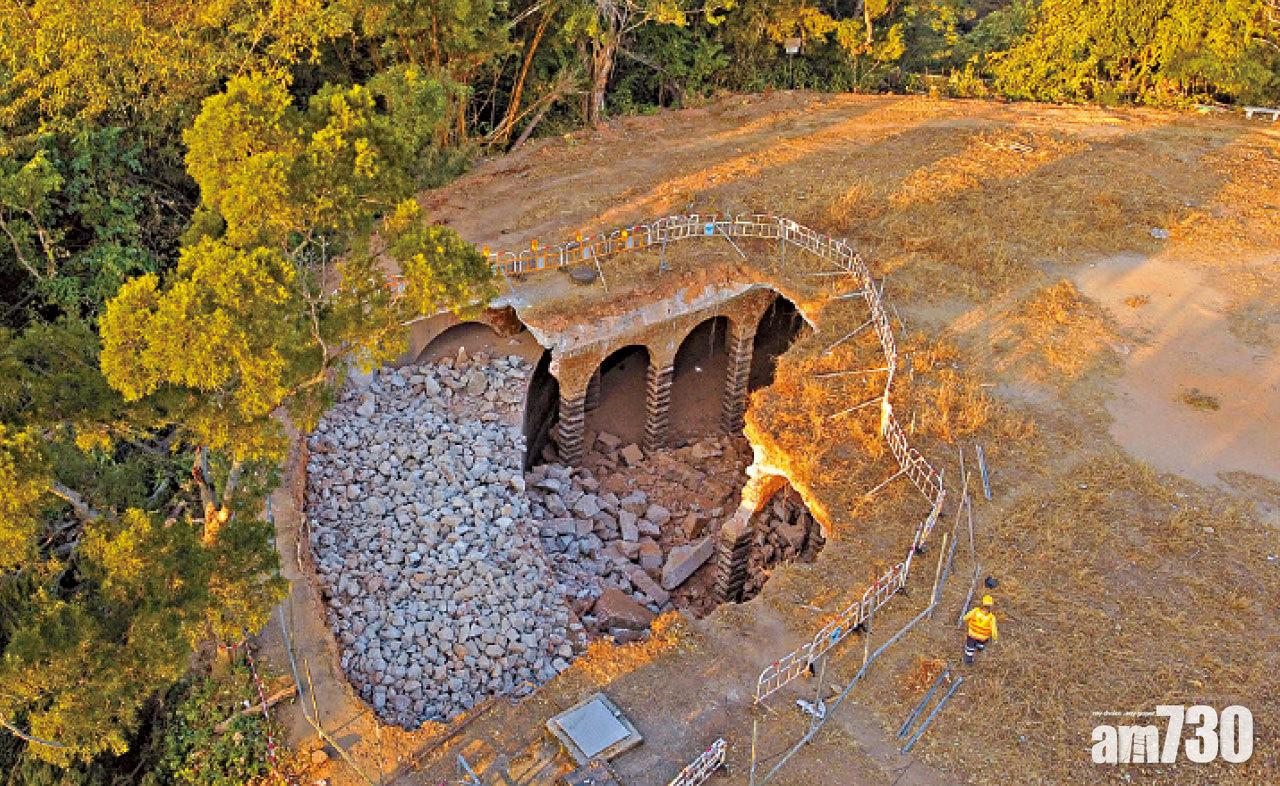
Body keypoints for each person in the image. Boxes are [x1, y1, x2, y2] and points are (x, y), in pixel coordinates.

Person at [962, 594, 998, 665]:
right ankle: (979, 647)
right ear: (991, 607)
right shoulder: (991, 617)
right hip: (983, 637)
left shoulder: (975, 611)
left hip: (972, 634)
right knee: (982, 641)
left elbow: (965, 618)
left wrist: (967, 621)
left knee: (970, 646)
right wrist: (994, 638)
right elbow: (994, 630)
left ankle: (968, 659)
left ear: (982, 604)